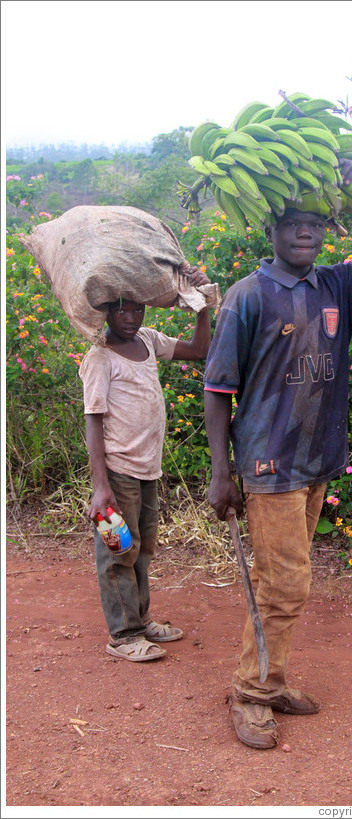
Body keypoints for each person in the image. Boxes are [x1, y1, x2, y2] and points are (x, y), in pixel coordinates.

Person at [203, 157, 352, 748]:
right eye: (294, 223)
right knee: (287, 584)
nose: (307, 232)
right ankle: (251, 693)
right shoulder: (247, 296)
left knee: (280, 580)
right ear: (271, 231)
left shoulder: (337, 286)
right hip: (268, 464)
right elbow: (217, 388)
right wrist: (221, 473)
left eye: (316, 224)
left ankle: (268, 680)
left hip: (316, 461)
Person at [79, 268, 211, 662]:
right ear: (106, 312)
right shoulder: (99, 358)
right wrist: (100, 487)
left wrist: (201, 308)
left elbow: (199, 350)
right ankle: (123, 634)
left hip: (147, 471)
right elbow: (93, 420)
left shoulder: (148, 342)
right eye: (122, 310)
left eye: (137, 308)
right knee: (118, 550)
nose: (132, 317)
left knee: (142, 549)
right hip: (116, 474)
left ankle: (141, 617)